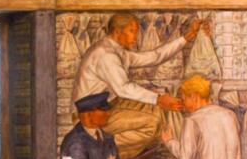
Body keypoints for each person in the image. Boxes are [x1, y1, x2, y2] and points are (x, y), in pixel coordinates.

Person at [72, 13, 205, 150]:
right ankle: (100, 148)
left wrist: (189, 35)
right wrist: (159, 99)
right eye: (132, 32)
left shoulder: (117, 50)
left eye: (136, 32)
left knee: (158, 111)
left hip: (106, 105)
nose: (135, 37)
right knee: (153, 124)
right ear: (117, 32)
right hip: (89, 115)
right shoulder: (106, 55)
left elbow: (155, 57)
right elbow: (123, 88)